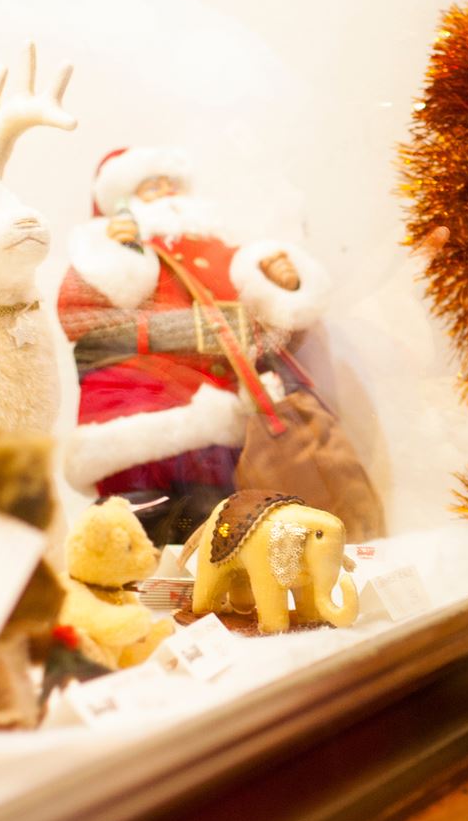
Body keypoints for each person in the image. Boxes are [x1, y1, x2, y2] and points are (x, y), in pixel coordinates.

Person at [57, 146, 329, 540]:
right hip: (139, 399)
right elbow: (78, 316)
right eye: (152, 187)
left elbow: (280, 325)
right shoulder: (109, 255)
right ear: (123, 201)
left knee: (217, 510)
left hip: (219, 406)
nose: (166, 193)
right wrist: (118, 257)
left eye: (171, 184)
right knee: (138, 509)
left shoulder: (224, 252)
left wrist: (282, 280)